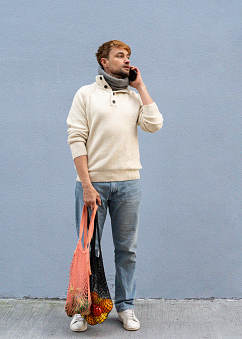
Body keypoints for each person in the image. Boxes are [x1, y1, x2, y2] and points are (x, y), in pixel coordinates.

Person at [66, 40, 163, 332]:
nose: (126, 60)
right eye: (119, 56)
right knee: (88, 248)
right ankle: (82, 309)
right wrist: (86, 184)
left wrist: (141, 86)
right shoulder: (85, 94)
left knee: (126, 250)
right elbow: (76, 138)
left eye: (128, 56)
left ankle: (126, 306)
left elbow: (154, 124)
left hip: (128, 184)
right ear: (104, 62)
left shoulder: (134, 97)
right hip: (93, 184)